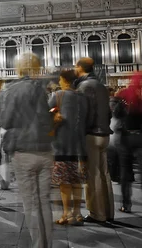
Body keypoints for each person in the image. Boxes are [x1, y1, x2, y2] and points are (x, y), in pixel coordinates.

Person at [0, 53, 54, 248]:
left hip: (23, 151)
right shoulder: (41, 89)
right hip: (45, 150)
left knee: (31, 203)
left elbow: (4, 121)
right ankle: (47, 244)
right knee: (44, 201)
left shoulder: (11, 90)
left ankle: (39, 245)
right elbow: (45, 120)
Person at [74, 57, 114, 223]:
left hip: (91, 135)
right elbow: (109, 113)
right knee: (104, 174)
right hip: (104, 134)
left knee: (92, 175)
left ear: (80, 68)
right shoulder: (101, 86)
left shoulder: (84, 86)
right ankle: (108, 211)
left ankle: (97, 214)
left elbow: (83, 114)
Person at [49, 70, 88, 226]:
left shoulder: (57, 95)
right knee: (77, 180)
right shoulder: (83, 97)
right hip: (80, 143)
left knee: (64, 181)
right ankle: (78, 213)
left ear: (64, 80)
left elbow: (45, 114)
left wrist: (54, 114)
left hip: (61, 143)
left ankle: (67, 213)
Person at [115, 72, 142, 218]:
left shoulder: (123, 94)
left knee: (125, 173)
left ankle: (126, 204)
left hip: (126, 137)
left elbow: (116, 114)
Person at [107, 88, 126, 182]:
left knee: (111, 157)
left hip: (110, 128)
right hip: (118, 129)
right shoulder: (120, 103)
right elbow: (124, 115)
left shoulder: (105, 103)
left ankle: (113, 175)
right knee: (118, 156)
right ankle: (118, 175)